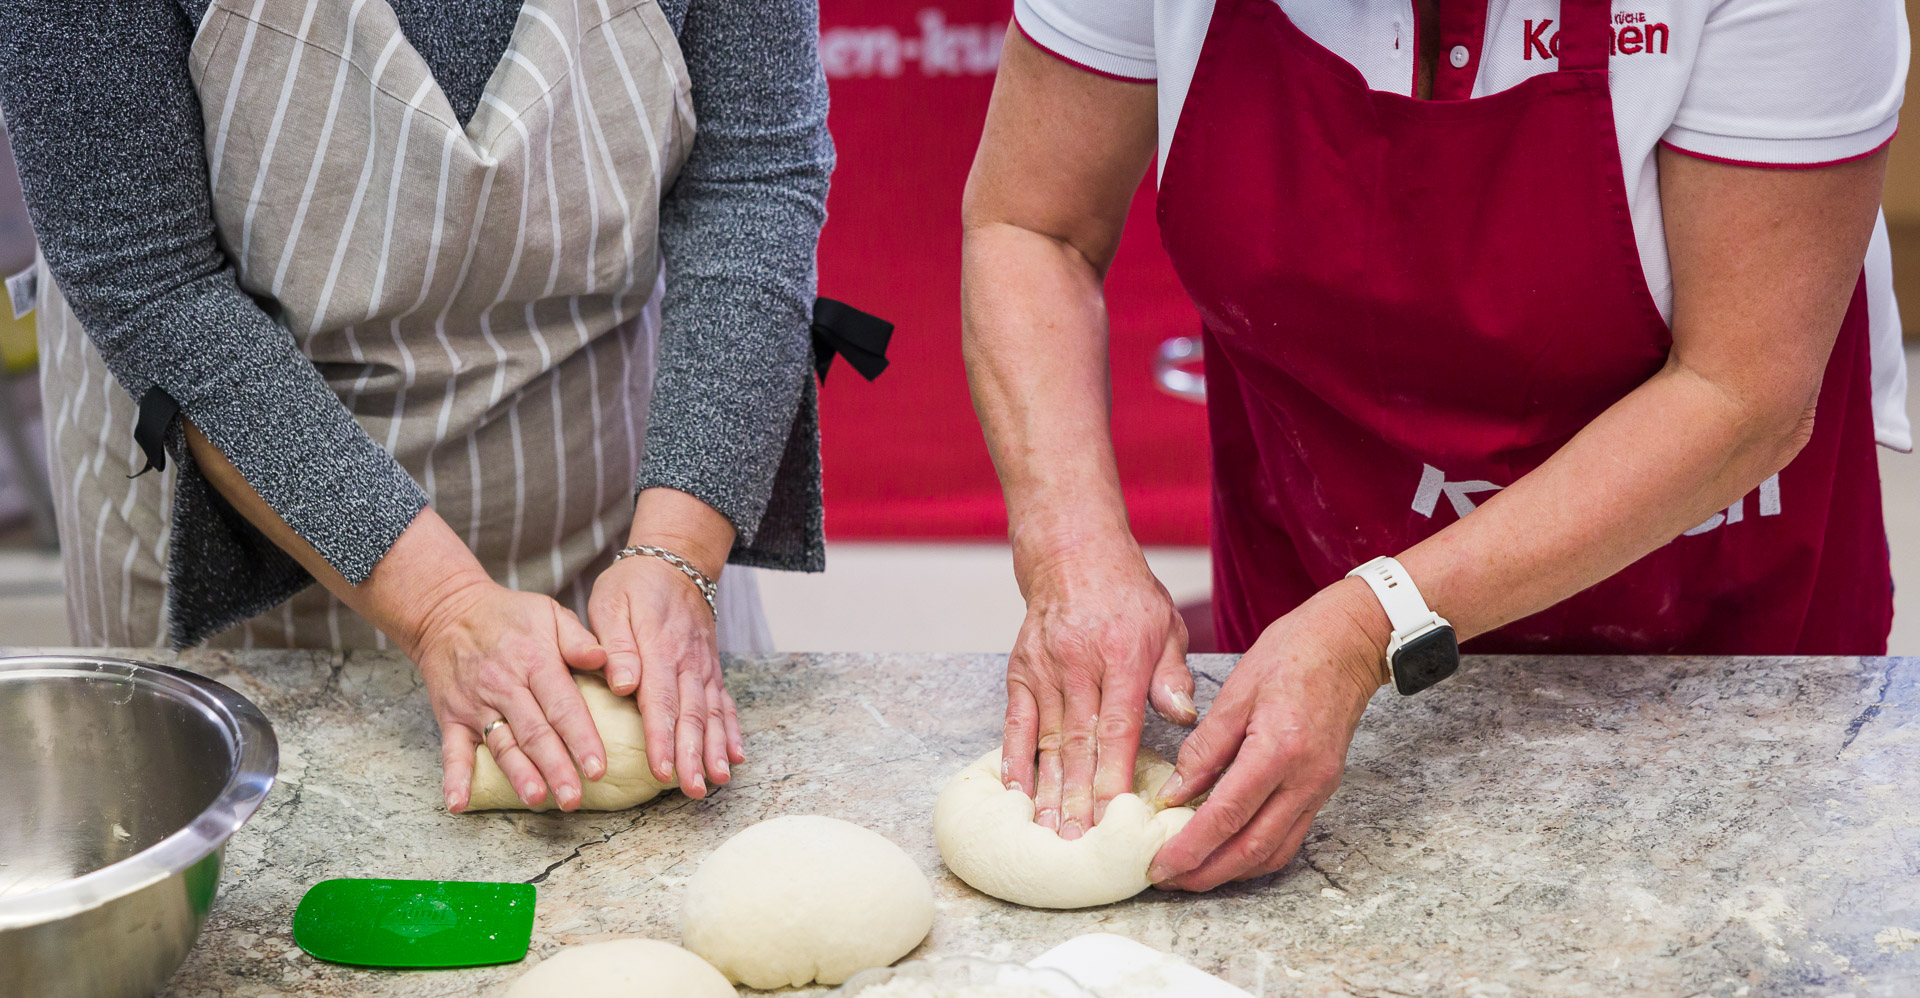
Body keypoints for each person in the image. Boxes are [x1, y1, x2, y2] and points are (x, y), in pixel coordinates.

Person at [962, 0, 1909, 891]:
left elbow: (1742, 391)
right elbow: (1032, 224)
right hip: (1308, 622)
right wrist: (1072, 556)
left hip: (1710, 652)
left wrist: (1371, 624)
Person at [0, 0, 832, 813]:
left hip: (611, 493)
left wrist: (677, 554)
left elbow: (754, 179)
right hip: (241, 515)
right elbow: (156, 283)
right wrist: (440, 607)